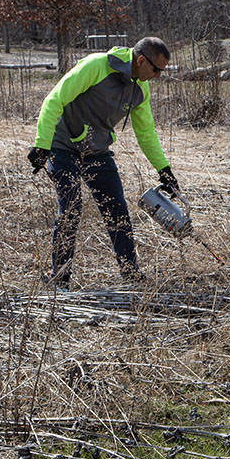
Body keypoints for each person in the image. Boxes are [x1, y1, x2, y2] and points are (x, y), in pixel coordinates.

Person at [27, 37, 178, 289]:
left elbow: (146, 132)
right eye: (156, 70)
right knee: (71, 208)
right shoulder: (96, 66)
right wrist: (42, 144)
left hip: (97, 151)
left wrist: (164, 169)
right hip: (62, 146)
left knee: (117, 211)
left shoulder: (141, 88)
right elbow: (54, 100)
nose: (158, 76)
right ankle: (60, 278)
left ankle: (131, 275)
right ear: (141, 60)